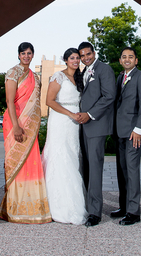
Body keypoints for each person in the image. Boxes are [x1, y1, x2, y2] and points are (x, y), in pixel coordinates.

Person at [0, 42, 52, 224]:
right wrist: (16, 126)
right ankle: (13, 207)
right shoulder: (13, 73)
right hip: (15, 123)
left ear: (33, 55)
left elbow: (36, 104)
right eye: (23, 53)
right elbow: (9, 100)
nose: (26, 56)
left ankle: (31, 206)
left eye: (29, 53)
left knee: (31, 163)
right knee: (15, 163)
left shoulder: (35, 77)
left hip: (31, 126)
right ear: (18, 55)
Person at [42, 47, 88, 225]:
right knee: (61, 159)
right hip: (61, 120)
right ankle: (59, 206)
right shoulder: (58, 77)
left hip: (76, 123)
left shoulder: (80, 77)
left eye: (78, 58)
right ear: (66, 60)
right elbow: (49, 101)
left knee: (73, 157)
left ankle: (75, 201)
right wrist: (70, 114)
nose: (76, 61)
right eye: (72, 58)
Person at [74, 41, 115, 227]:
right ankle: (88, 205)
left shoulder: (104, 69)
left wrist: (89, 115)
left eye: (88, 54)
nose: (85, 58)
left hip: (96, 125)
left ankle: (95, 213)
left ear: (94, 52)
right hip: (82, 127)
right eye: (82, 55)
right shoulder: (83, 72)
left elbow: (109, 96)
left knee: (95, 169)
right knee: (87, 168)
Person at [112, 46, 141, 226]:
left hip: (133, 133)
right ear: (120, 60)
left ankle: (133, 212)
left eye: (130, 57)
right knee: (122, 171)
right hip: (120, 132)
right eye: (124, 56)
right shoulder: (121, 77)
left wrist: (138, 129)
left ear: (136, 60)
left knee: (132, 171)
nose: (127, 59)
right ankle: (124, 206)